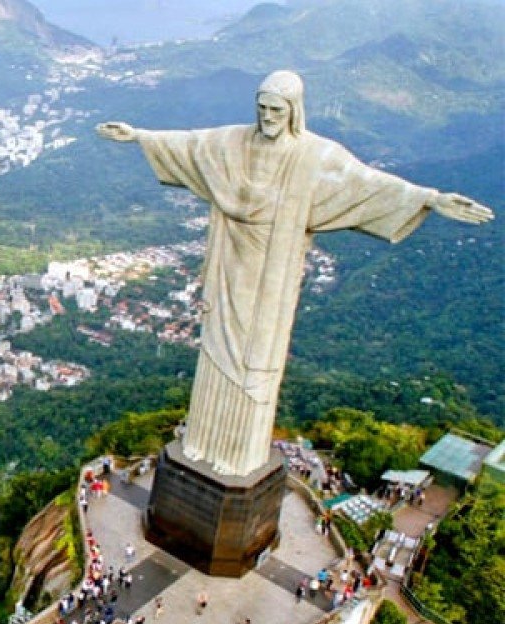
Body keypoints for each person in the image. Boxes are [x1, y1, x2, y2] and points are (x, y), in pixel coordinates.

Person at [97, 71, 493, 478]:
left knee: (257, 357)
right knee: (216, 346)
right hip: (231, 264)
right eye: (262, 107)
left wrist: (430, 198)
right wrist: (138, 136)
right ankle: (202, 441)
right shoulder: (234, 141)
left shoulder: (314, 155)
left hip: (273, 272)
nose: (267, 116)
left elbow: (367, 183)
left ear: (293, 111)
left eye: (276, 109)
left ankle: (239, 453)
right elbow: (192, 145)